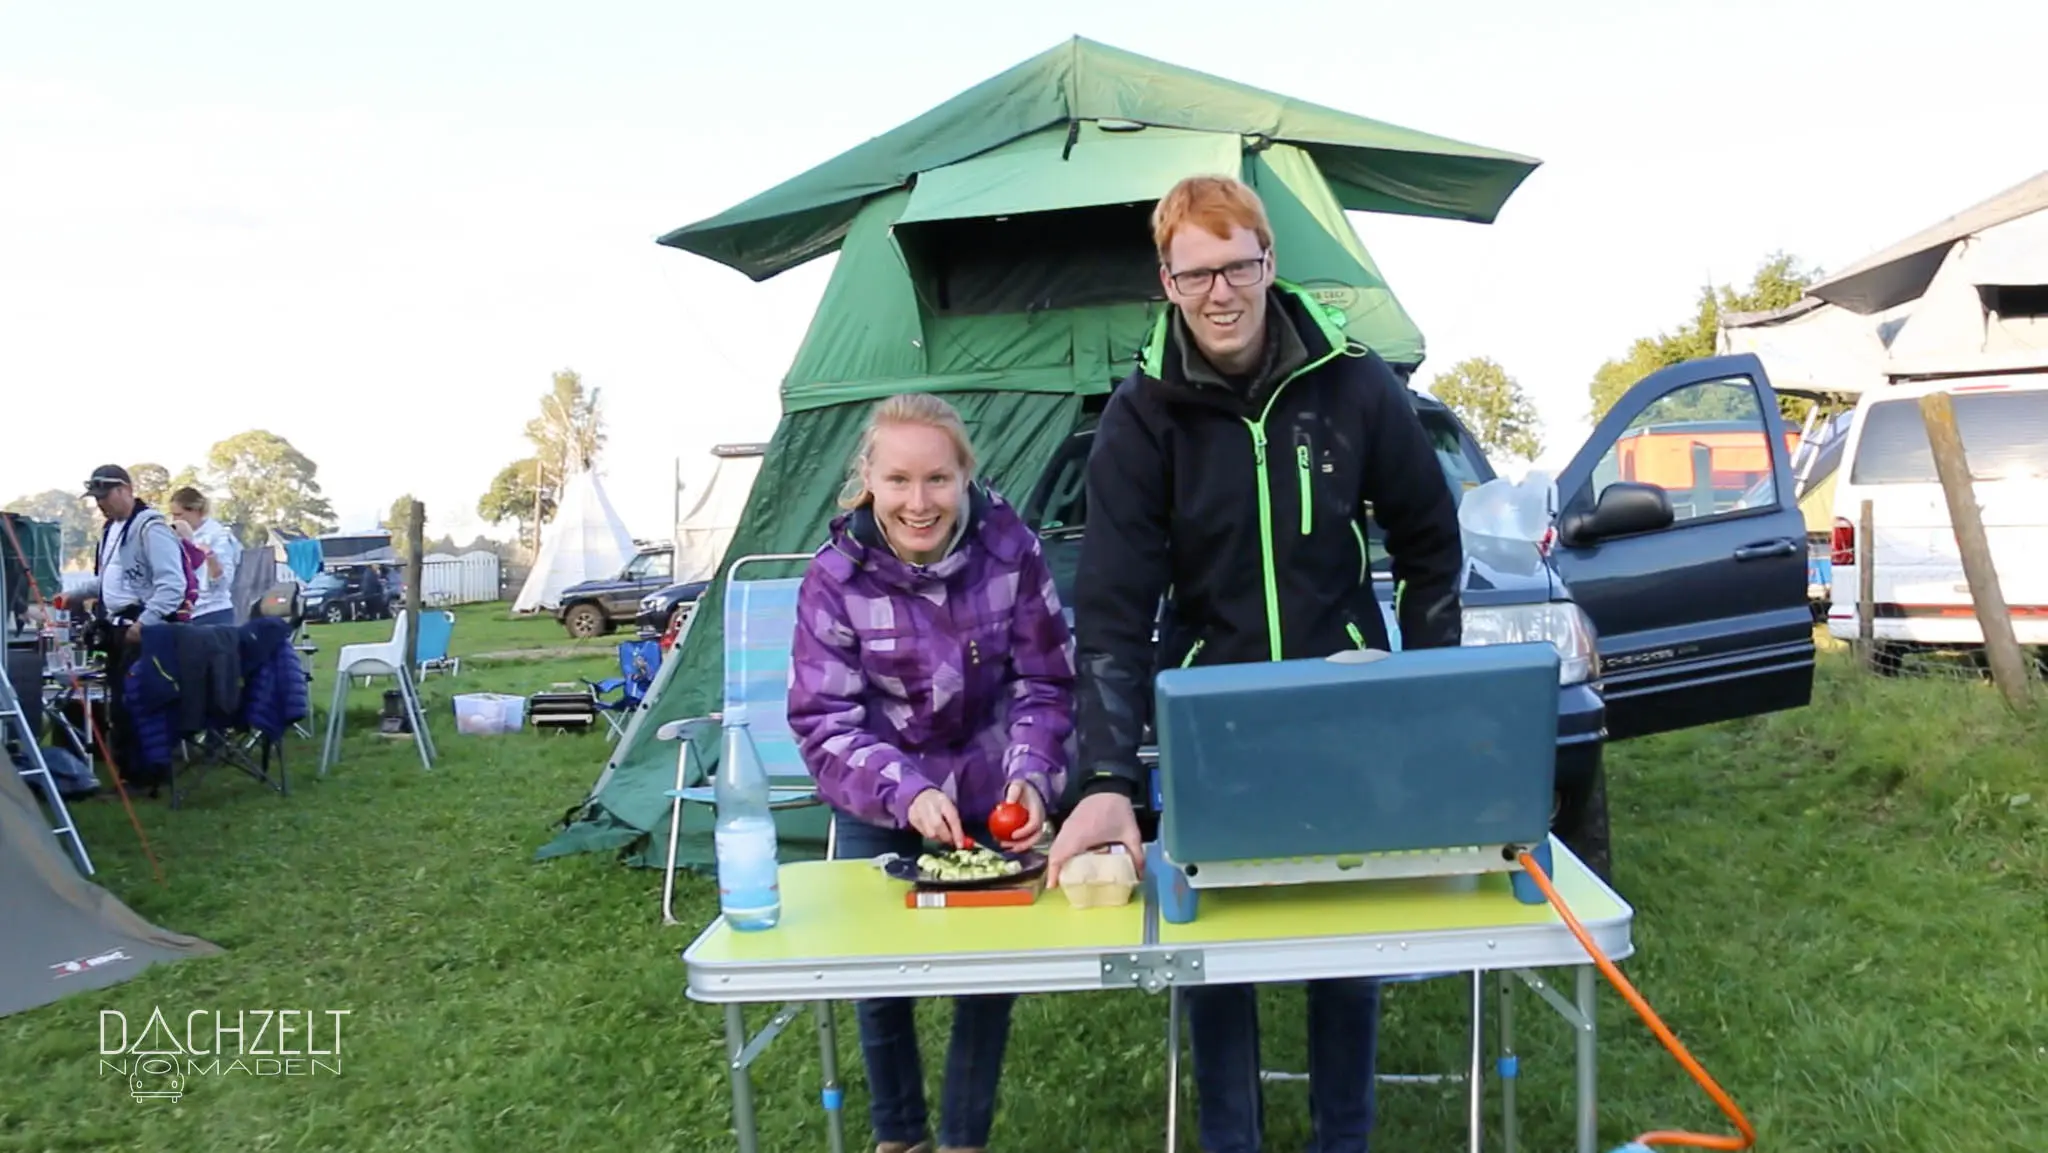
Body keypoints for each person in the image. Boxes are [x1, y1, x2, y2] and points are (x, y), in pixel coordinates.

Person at [1047, 175, 1467, 1153]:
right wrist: (1106, 776)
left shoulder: (1356, 386)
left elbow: (1429, 541)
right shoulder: (1140, 418)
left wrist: (1428, 694)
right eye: (1195, 275)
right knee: (1213, 950)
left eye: (1236, 267)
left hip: (1345, 708)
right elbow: (1111, 609)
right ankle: (1230, 1137)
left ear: (1269, 262)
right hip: (1212, 721)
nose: (1220, 294)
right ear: (1166, 283)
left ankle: (1341, 1139)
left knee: (1343, 942)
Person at [785, 392, 1077, 1153]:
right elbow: (824, 721)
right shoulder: (833, 578)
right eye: (899, 480)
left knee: (988, 969)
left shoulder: (1013, 551)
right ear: (869, 482)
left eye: (938, 479)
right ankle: (899, 1135)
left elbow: (1047, 682)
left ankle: (962, 1139)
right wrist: (904, 790)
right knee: (874, 969)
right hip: (880, 787)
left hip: (991, 781)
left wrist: (1031, 774)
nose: (919, 503)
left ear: (965, 477)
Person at [80, 464, 192, 785]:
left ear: (126, 490)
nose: (100, 503)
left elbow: (173, 585)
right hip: (118, 627)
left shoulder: (151, 528)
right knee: (120, 704)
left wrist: (145, 622)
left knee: (141, 703)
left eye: (105, 496)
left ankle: (149, 775)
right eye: (96, 498)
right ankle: (130, 774)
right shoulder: (110, 530)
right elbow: (107, 580)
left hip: (144, 628)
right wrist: (71, 595)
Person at [168, 486, 242, 626]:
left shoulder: (219, 536)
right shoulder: (175, 536)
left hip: (213, 613)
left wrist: (210, 557)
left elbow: (224, 583)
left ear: (196, 511)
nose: (174, 519)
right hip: (186, 614)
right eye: (172, 515)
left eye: (179, 514)